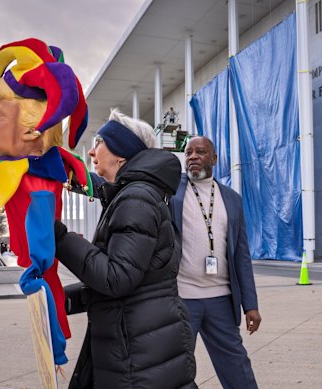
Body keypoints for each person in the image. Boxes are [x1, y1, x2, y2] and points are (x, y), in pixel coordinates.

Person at [0, 38, 92, 365]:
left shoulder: (39, 179)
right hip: (34, 259)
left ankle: (56, 349)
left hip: (38, 261)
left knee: (44, 282)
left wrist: (37, 262)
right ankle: (55, 346)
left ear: (30, 132)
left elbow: (41, 220)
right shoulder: (7, 167)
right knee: (42, 282)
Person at [53, 108, 197, 388]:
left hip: (138, 356)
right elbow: (137, 282)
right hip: (138, 344)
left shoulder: (136, 198)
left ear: (121, 153)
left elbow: (116, 277)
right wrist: (63, 299)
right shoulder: (133, 195)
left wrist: (58, 237)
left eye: (98, 142)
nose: (92, 153)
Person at [170, 136, 261, 389]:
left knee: (237, 366)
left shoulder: (232, 199)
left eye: (200, 152)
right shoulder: (171, 192)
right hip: (182, 298)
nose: (193, 157)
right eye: (188, 152)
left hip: (221, 298)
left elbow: (241, 255)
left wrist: (250, 305)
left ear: (214, 158)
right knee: (175, 368)